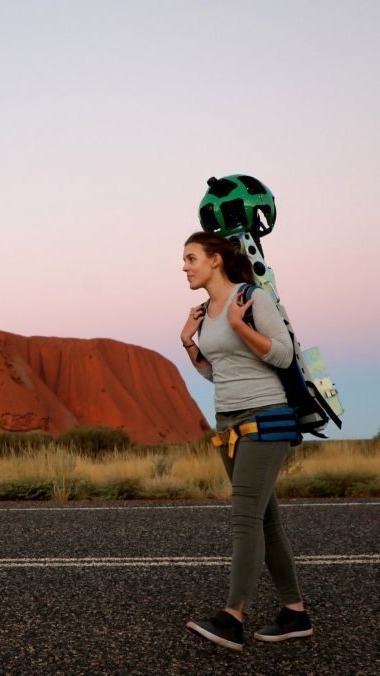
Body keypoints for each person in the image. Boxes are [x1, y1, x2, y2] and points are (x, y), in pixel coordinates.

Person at [179, 231, 313, 651]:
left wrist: (239, 324)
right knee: (265, 520)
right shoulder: (208, 311)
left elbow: (284, 354)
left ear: (216, 260)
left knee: (244, 519)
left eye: (191, 258)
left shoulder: (251, 300)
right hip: (230, 423)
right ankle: (295, 612)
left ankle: (232, 617)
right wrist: (188, 343)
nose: (184, 267)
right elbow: (219, 373)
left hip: (266, 418)